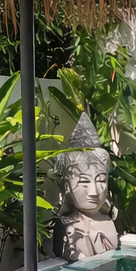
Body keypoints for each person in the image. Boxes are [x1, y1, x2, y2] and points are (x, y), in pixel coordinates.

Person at [51, 112, 120, 261]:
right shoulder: (67, 227)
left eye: (101, 180)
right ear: (67, 186)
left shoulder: (107, 221)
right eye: (84, 182)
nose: (94, 192)